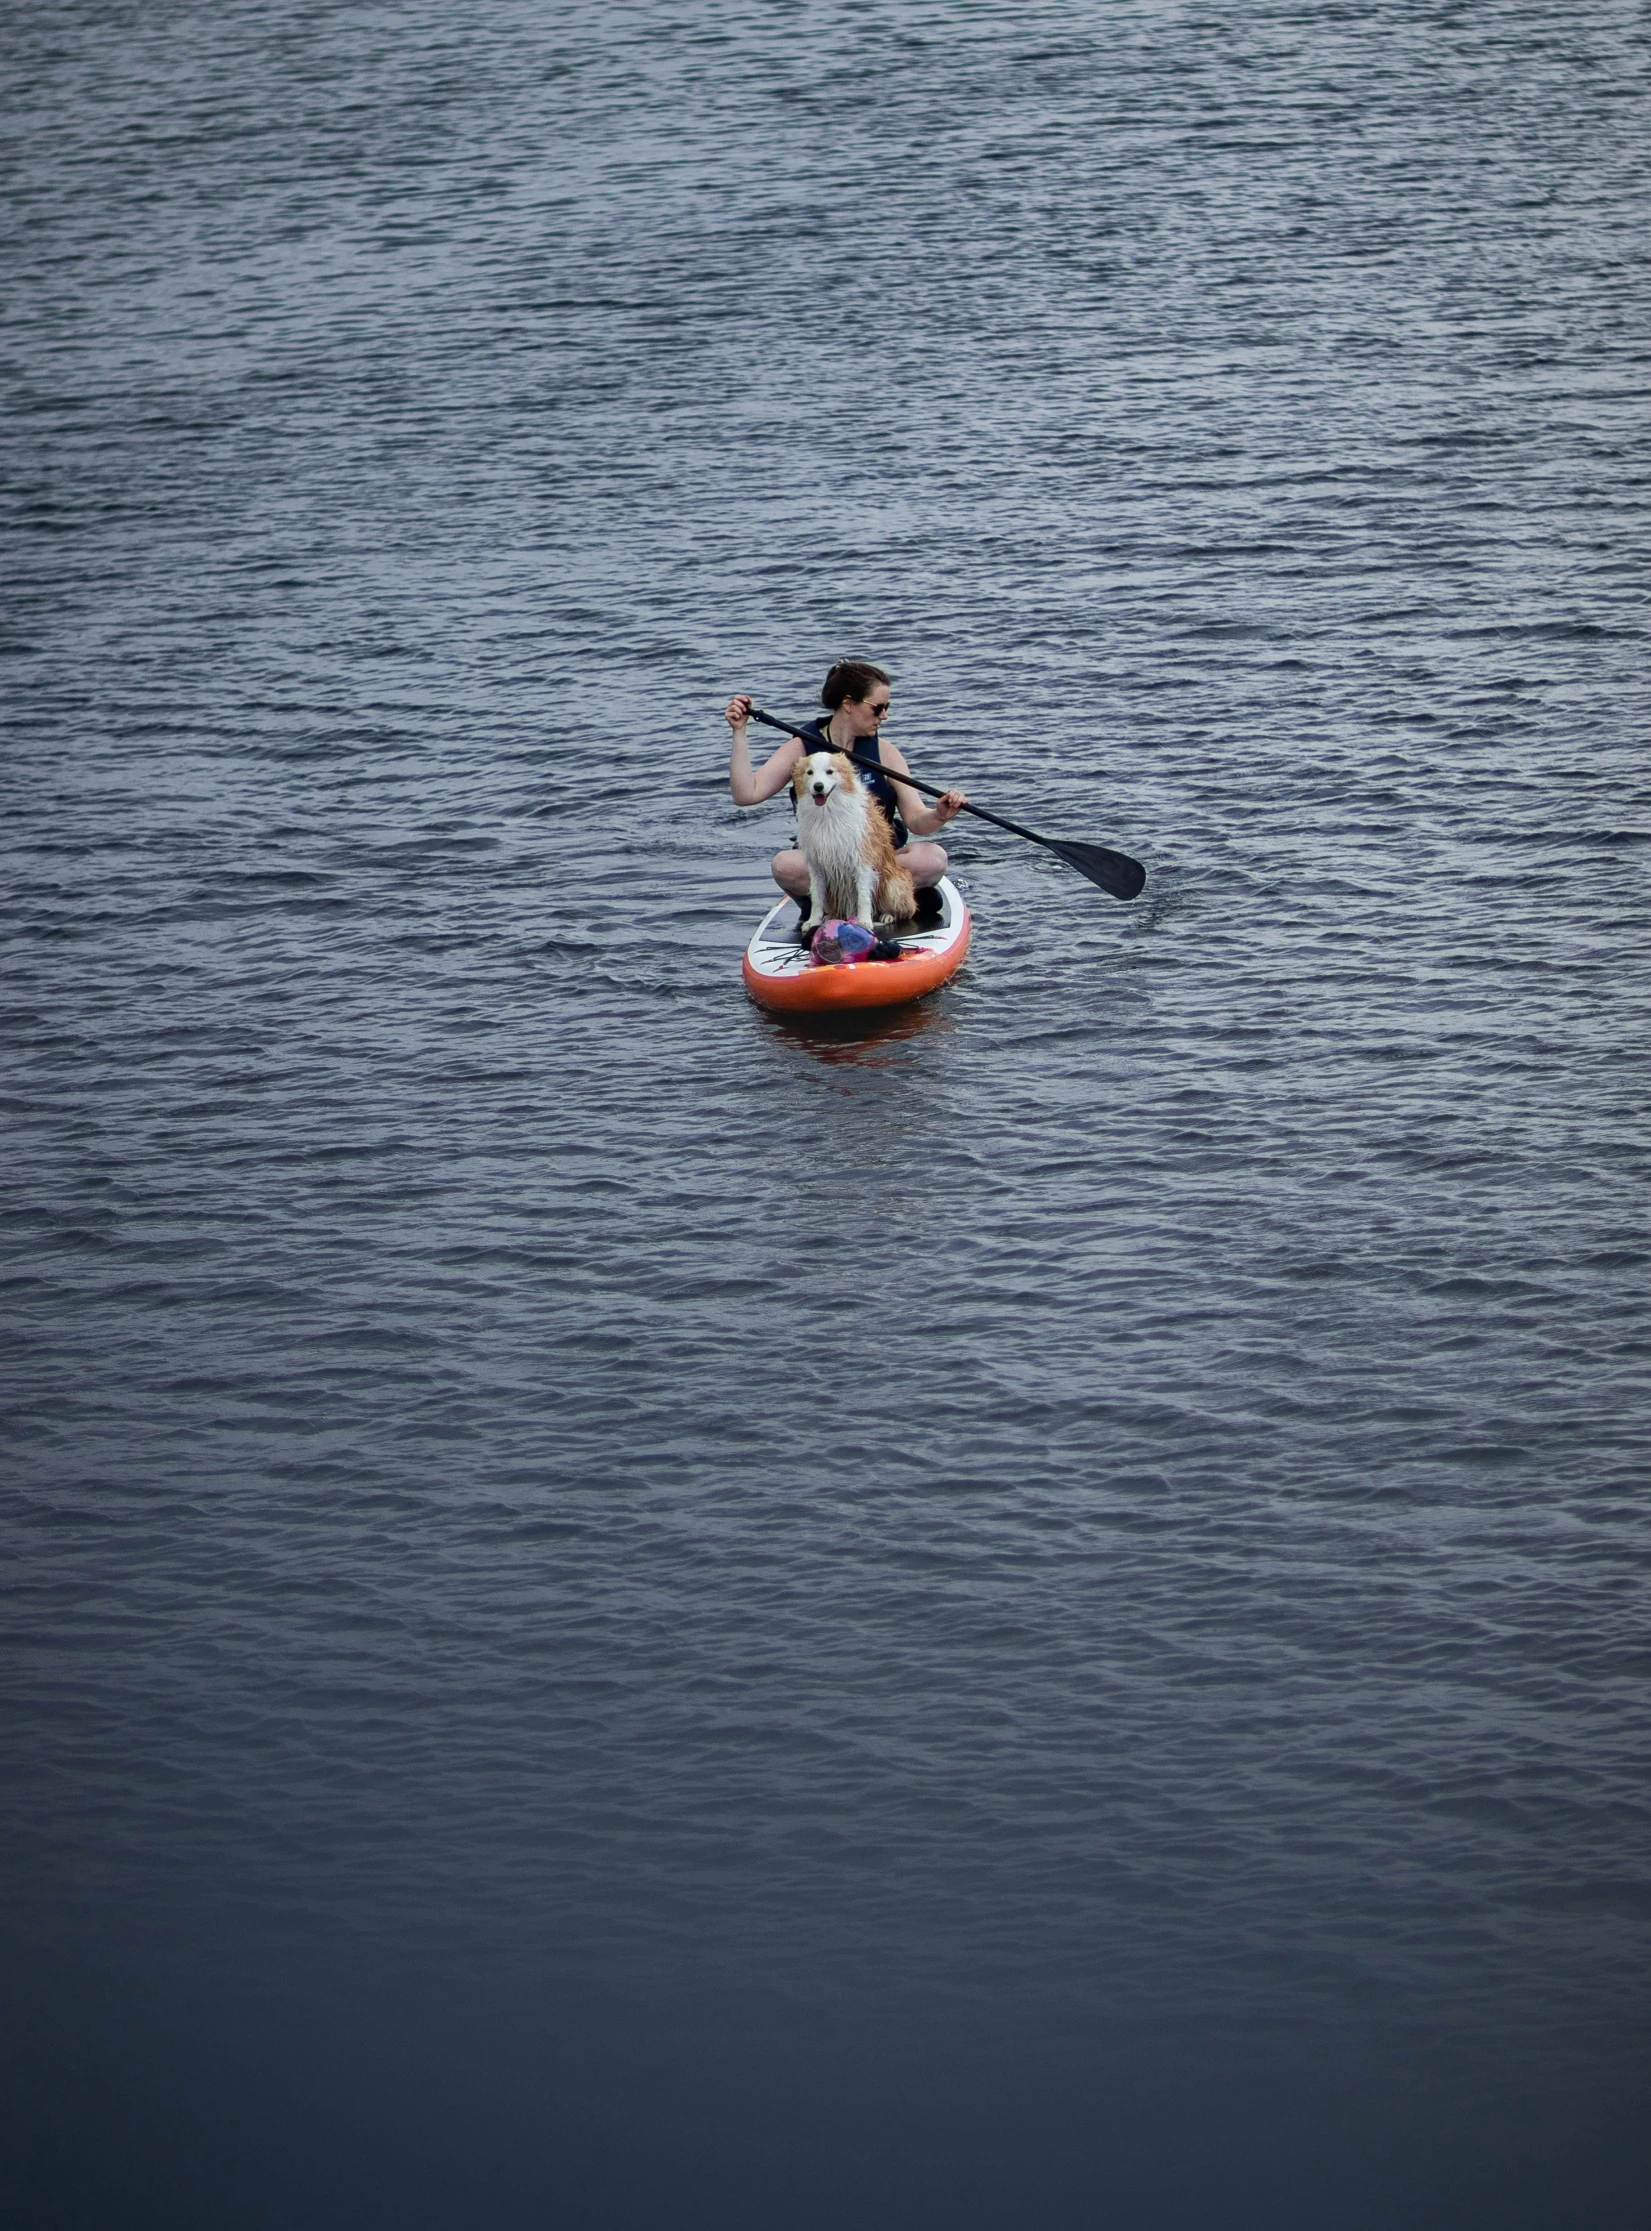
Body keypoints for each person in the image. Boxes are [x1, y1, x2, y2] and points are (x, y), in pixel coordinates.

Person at [725, 661, 967, 925]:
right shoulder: (801, 748)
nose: (884, 716)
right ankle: (831, 906)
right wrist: (740, 733)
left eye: (887, 708)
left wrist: (940, 813)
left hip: (876, 858)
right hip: (826, 862)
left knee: (933, 858)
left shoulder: (885, 752)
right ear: (849, 704)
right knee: (785, 865)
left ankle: (883, 897)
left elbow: (917, 821)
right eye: (878, 708)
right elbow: (746, 795)